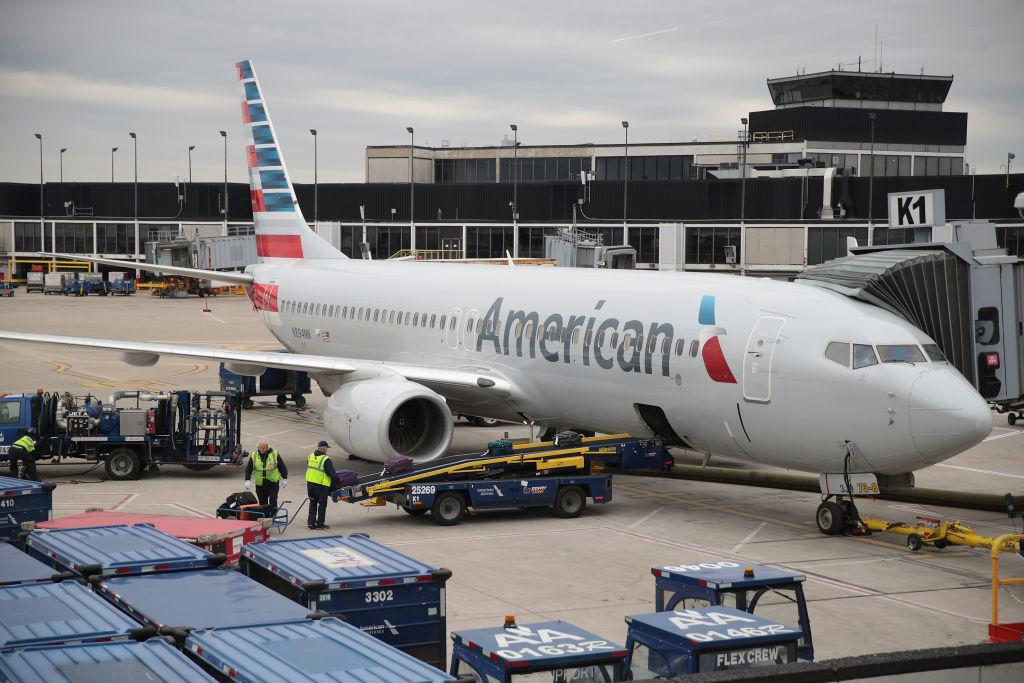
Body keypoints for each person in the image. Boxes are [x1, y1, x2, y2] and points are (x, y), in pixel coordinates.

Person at [244, 440, 288, 514]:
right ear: (258, 447)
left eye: (263, 448)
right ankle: (265, 517)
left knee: (273, 501)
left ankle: (273, 516)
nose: (262, 450)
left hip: (272, 482)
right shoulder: (254, 455)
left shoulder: (274, 454)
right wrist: (247, 480)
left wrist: (285, 478)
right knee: (262, 503)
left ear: (267, 447)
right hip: (260, 484)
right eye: (260, 448)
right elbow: (248, 469)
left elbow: (282, 466)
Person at [305, 440, 336, 530]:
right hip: (321, 485)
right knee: (322, 505)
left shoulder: (310, 456)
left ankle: (311, 522)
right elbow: (332, 474)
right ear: (324, 448)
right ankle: (320, 524)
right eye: (326, 448)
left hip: (310, 484)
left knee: (312, 502)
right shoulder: (326, 459)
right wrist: (336, 484)